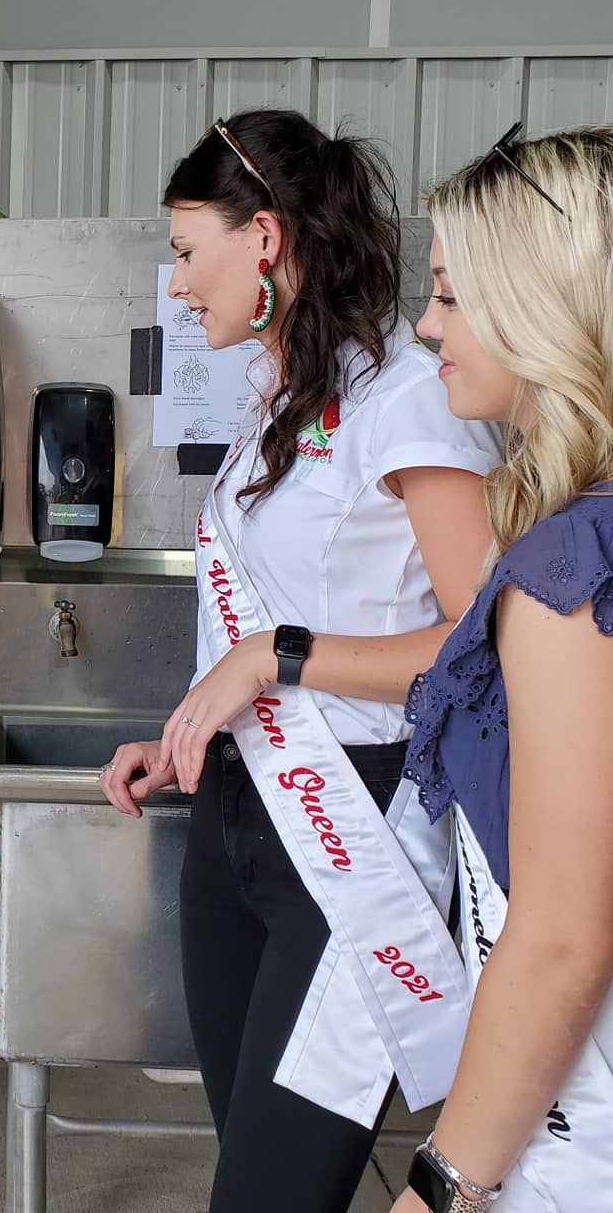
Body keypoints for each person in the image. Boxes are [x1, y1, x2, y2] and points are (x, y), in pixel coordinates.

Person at [98, 109, 503, 1213]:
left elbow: (485, 654)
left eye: (187, 253)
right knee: (254, 1180)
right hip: (232, 828)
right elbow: (269, 626)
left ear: (263, 239)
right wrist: (191, 727)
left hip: (350, 841)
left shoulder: (410, 400)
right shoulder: (278, 405)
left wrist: (274, 659)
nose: (179, 286)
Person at [391, 126, 613, 1213]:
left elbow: (567, 937)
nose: (427, 324)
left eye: (450, 293)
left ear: (545, 306)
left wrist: (441, 1186)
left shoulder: (568, 571)